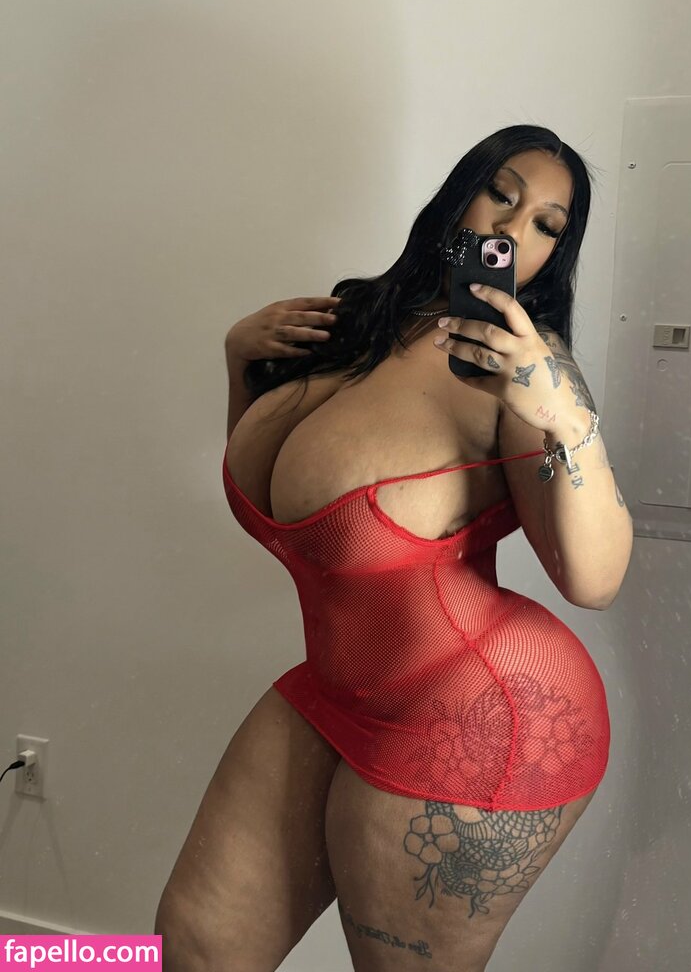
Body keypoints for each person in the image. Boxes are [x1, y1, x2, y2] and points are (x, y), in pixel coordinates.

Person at [154, 124, 634, 971]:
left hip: (484, 715)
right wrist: (238, 362)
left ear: (554, 258)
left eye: (547, 226)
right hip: (338, 691)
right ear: (459, 194)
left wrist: (566, 420)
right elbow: (288, 508)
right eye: (502, 193)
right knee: (183, 952)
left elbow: (594, 580)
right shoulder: (360, 324)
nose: (512, 227)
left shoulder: (522, 373)